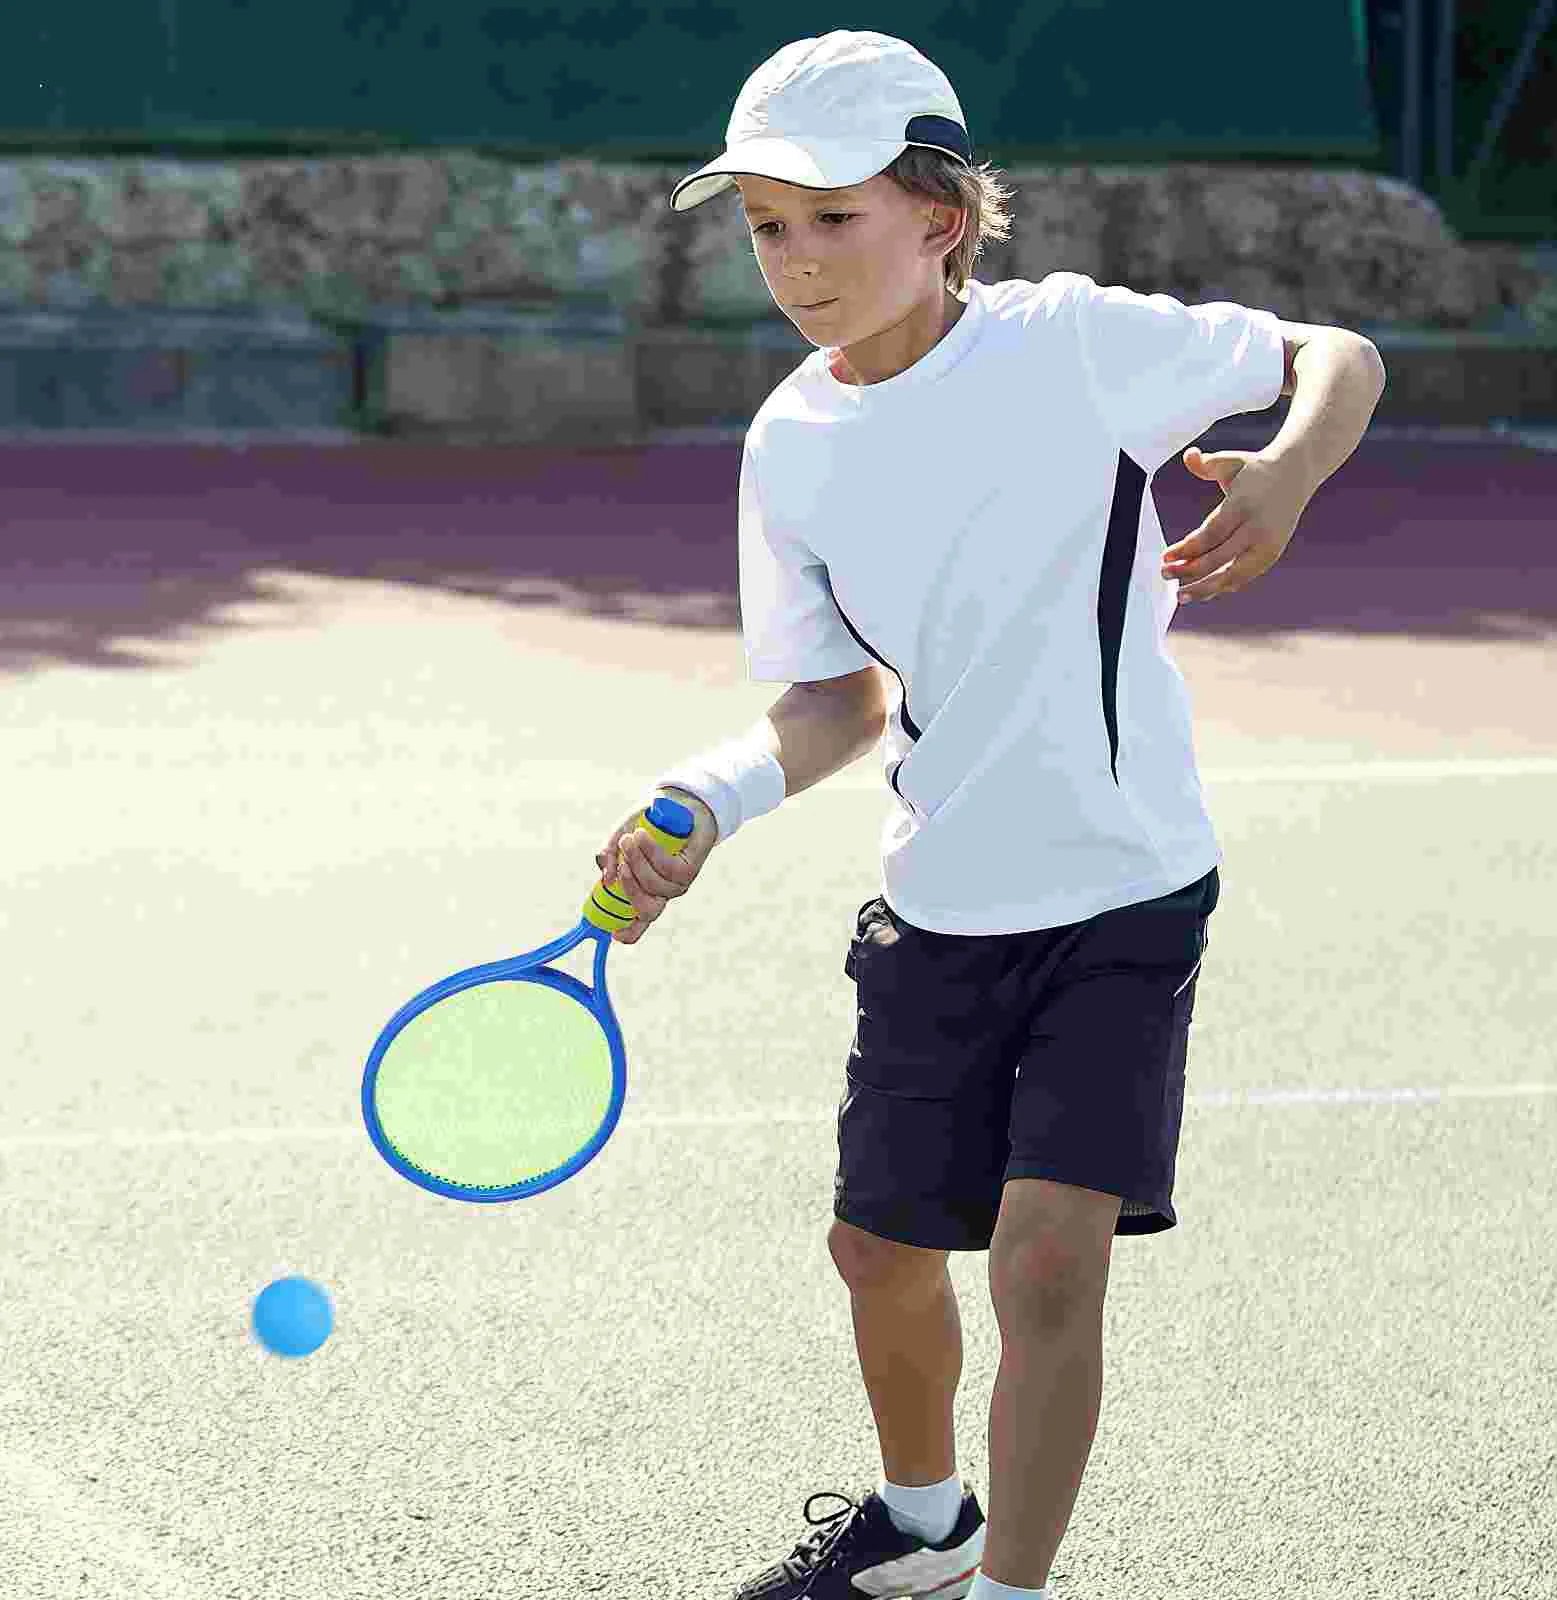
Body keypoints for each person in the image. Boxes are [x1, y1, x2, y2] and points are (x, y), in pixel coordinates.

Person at [593, 29, 1384, 1600]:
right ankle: (922, 1526)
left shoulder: (1075, 347)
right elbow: (837, 700)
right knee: (879, 1251)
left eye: (835, 217)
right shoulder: (792, 443)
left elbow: (1336, 354)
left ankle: (1014, 1591)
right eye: (767, 226)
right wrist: (704, 799)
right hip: (940, 897)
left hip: (1124, 889)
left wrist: (1285, 480)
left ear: (940, 219)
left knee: (1042, 1260)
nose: (796, 261)